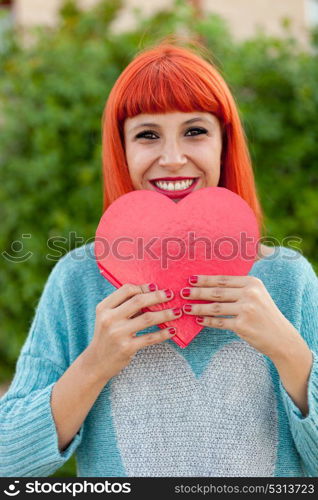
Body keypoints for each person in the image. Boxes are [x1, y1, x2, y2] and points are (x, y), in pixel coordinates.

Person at [0, 42, 317, 478]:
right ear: (122, 149)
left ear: (224, 144)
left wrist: (287, 350)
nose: (172, 158)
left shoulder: (288, 279)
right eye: (147, 135)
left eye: (195, 131)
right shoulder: (77, 280)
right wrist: (94, 364)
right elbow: (7, 459)